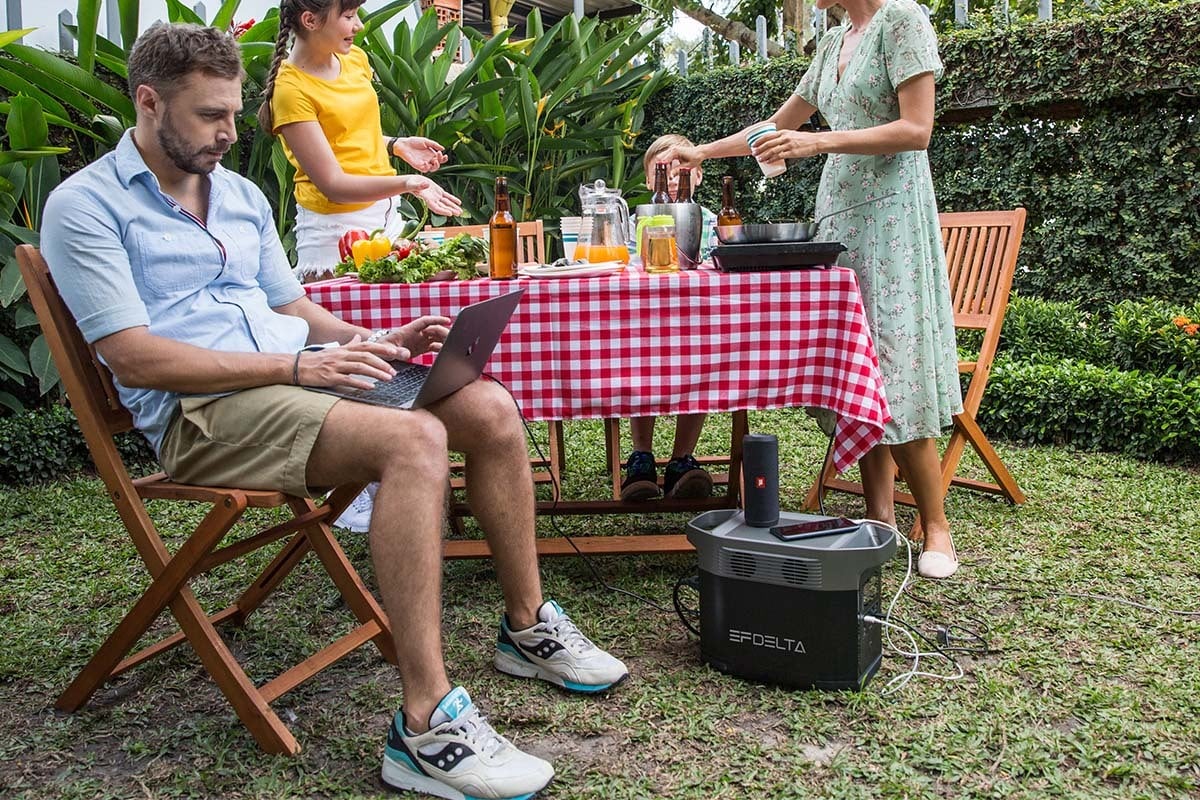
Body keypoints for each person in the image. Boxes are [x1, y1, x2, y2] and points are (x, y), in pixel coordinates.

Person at [41, 24, 627, 800]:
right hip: (204, 413)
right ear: (148, 103)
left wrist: (374, 340)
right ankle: (426, 726)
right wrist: (294, 364)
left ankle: (527, 627)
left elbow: (291, 305)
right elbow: (134, 356)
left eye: (232, 114)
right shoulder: (85, 205)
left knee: (484, 403)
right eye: (208, 116)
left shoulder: (241, 195)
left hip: (294, 379)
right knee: (413, 439)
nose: (227, 133)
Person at [663, 0, 963, 579]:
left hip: (892, 220)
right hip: (840, 220)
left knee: (895, 367)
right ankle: (881, 520)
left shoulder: (903, 20)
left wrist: (820, 144)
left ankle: (936, 525)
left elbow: (917, 130)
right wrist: (700, 151)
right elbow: (778, 127)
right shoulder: (832, 44)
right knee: (860, 365)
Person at [257, 0, 465, 531]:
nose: (357, 24)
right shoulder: (290, 89)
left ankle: (407, 474)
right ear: (311, 20)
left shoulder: (355, 61)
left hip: (385, 222)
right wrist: (410, 183)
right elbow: (331, 181)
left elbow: (358, 141)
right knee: (359, 354)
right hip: (332, 235)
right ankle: (366, 490)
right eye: (347, 14)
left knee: (399, 341)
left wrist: (398, 147)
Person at [618, 134, 719, 502]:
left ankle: (682, 458)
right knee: (636, 360)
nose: (673, 178)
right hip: (643, 323)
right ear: (649, 180)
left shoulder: (711, 220)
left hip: (698, 323)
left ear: (699, 175)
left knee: (703, 361)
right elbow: (626, 266)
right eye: (663, 171)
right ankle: (641, 455)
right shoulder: (637, 220)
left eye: (682, 170)